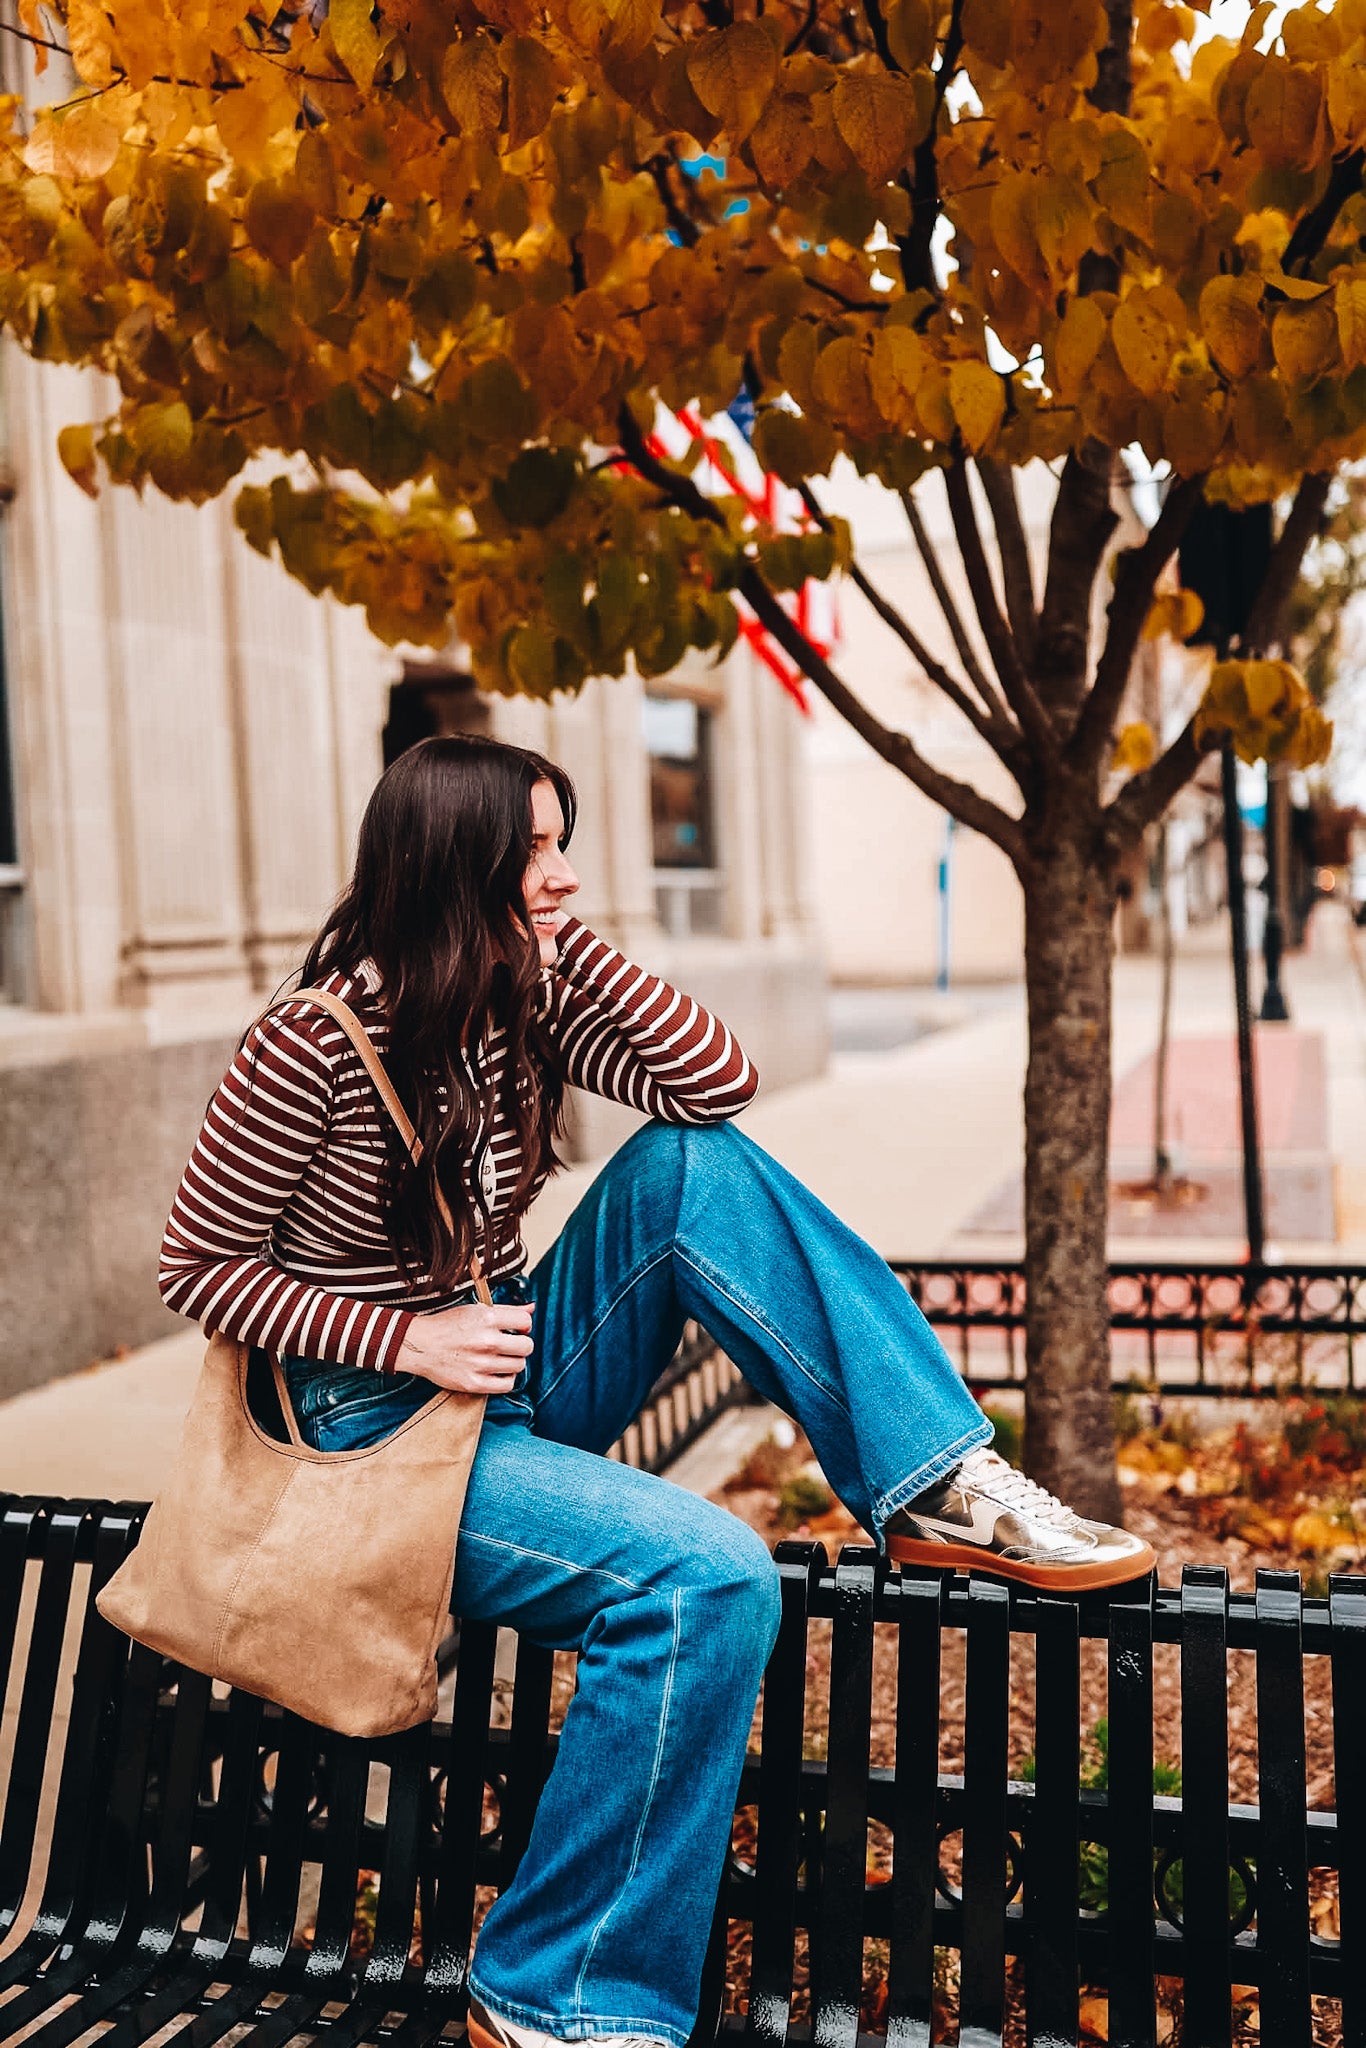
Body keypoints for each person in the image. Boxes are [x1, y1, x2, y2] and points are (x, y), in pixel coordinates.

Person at [159, 735, 1153, 2048]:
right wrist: (409, 1345)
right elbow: (196, 1266)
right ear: (451, 862)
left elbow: (717, 1083)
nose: (564, 875)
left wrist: (571, 959)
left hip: (504, 1376)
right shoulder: (313, 1042)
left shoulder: (520, 998)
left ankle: (932, 1480)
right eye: (535, 852)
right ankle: (552, 1988)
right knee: (705, 1579)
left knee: (696, 1166)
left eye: (565, 844)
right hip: (375, 1434)